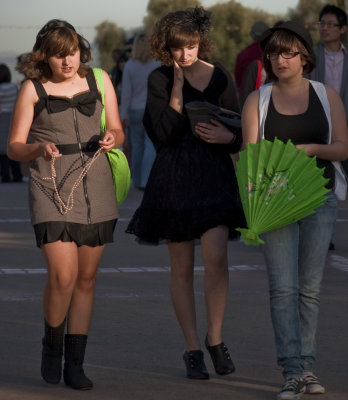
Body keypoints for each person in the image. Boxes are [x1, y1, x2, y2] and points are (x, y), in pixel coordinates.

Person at [126, 7, 245, 380]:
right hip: (174, 178)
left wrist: (229, 137)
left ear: (200, 43)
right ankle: (192, 348)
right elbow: (163, 134)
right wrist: (177, 88)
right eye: (178, 48)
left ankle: (216, 338)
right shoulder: (159, 80)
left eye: (191, 46)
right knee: (181, 268)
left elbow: (240, 126)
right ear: (167, 48)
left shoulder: (220, 75)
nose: (185, 55)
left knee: (216, 258)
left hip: (213, 176)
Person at [7, 19, 124, 390]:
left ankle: (76, 364)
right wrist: (38, 148)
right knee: (63, 276)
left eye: (71, 52)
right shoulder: (32, 89)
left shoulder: (100, 81)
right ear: (46, 57)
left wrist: (112, 136)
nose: (67, 61)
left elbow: (119, 129)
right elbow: (13, 146)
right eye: (59, 56)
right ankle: (51, 344)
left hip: (97, 185)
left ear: (80, 49)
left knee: (86, 279)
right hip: (50, 185)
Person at [242, 21, 348, 399]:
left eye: (289, 52)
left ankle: (307, 367)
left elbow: (342, 149)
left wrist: (309, 150)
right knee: (283, 288)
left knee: (310, 289)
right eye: (273, 52)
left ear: (304, 57)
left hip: (318, 199)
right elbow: (250, 157)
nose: (280, 59)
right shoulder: (258, 100)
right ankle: (291, 370)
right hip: (275, 202)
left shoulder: (326, 95)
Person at [309, 4, 348, 250]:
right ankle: (322, 238)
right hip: (319, 132)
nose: (325, 28)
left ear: (342, 29)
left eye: (331, 24)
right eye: (322, 23)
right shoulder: (309, 58)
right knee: (318, 187)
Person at [119, 33, 159, 190]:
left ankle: (136, 180)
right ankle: (147, 178)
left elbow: (126, 93)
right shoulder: (157, 64)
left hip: (134, 111)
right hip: (152, 109)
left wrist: (123, 115)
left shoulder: (129, 65)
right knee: (150, 145)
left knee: (136, 145)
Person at [234, 20, 269, 98]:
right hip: (267, 98)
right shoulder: (272, 54)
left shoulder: (242, 55)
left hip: (246, 99)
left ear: (251, 35)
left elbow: (239, 81)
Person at [0, 63, 22, 183]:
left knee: (2, 150)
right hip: (13, 117)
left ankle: (5, 176)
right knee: (13, 145)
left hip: (2, 117)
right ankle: (17, 175)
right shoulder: (13, 87)